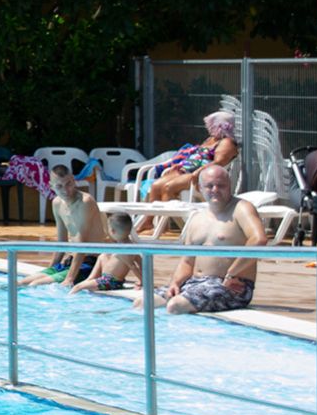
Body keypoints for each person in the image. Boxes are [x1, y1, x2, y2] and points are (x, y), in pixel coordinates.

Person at [157, 165, 268, 314]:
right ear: (200, 188)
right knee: (145, 302)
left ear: (230, 186)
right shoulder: (197, 218)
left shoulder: (241, 208)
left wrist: (232, 274)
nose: (215, 190)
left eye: (221, 185)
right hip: (194, 283)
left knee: (175, 305)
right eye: (209, 186)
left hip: (230, 285)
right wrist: (175, 283)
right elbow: (187, 261)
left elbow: (259, 239)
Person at [135, 111, 239, 233]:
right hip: (185, 169)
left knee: (169, 188)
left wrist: (199, 171)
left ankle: (173, 227)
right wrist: (178, 164)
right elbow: (196, 155)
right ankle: (148, 222)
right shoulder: (211, 139)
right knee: (156, 186)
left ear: (220, 126)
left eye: (213, 125)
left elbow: (219, 162)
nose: (209, 128)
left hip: (200, 175)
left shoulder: (226, 142)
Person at [21, 166, 109, 289]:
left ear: (74, 180)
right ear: (51, 186)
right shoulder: (57, 203)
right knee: (22, 283)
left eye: (68, 184)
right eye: (59, 186)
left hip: (90, 263)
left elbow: (81, 244)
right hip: (71, 261)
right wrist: (51, 269)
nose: (65, 190)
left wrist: (70, 279)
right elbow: (61, 242)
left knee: (36, 285)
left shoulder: (85, 202)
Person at [71, 213, 143, 294]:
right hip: (111, 281)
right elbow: (142, 264)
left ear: (112, 231)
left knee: (77, 287)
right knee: (103, 255)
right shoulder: (131, 247)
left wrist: (141, 280)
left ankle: (68, 299)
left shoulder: (123, 250)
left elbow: (133, 266)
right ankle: (88, 280)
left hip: (109, 282)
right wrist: (141, 280)